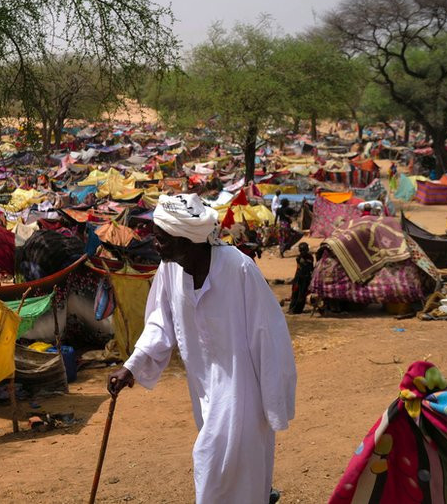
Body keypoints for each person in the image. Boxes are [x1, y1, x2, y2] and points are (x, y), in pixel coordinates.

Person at [108, 193, 296, 504]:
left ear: (187, 240)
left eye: (162, 240)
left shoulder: (239, 269)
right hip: (204, 390)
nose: (155, 245)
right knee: (233, 475)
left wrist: (274, 403)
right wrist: (133, 365)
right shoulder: (170, 269)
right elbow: (160, 322)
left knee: (213, 464)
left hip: (244, 389)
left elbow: (269, 336)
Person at [289, 243, 314, 314]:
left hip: (305, 278)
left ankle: (297, 310)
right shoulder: (299, 258)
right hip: (298, 278)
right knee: (295, 293)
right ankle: (292, 308)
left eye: (304, 250)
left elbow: (310, 268)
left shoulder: (309, 257)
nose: (302, 252)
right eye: (301, 250)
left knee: (302, 294)